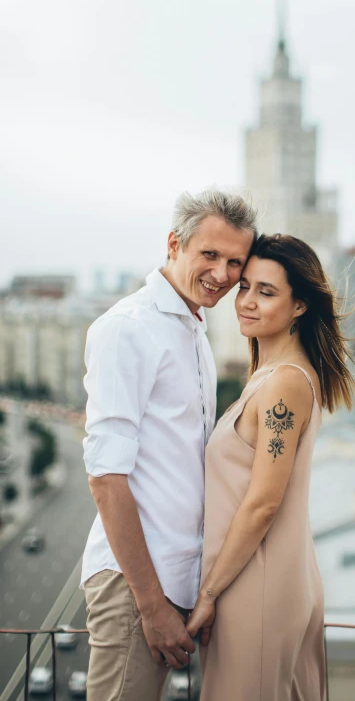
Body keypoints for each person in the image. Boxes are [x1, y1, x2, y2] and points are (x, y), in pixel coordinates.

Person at [81, 189, 257, 701]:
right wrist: (151, 604)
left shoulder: (191, 331)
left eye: (234, 262)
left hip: (175, 581)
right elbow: (106, 478)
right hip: (137, 586)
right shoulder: (127, 329)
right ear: (174, 244)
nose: (222, 274)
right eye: (210, 255)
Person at [187, 233, 355, 701]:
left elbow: (263, 503)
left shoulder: (285, 383)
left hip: (255, 588)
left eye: (266, 292)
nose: (246, 302)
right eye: (245, 287)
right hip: (260, 580)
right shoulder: (271, 376)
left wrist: (208, 594)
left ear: (300, 306)